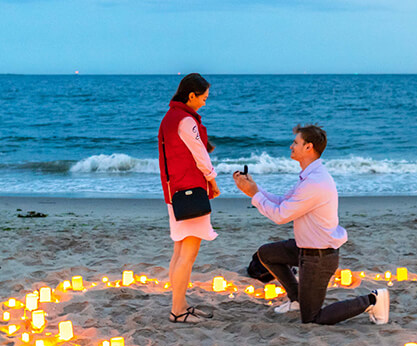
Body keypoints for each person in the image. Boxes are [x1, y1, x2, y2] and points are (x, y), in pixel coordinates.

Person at [232, 124, 389, 325]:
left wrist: (254, 194)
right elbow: (282, 201)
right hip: (304, 248)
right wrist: (253, 188)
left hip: (319, 257)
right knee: (267, 253)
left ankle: (372, 300)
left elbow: (281, 215)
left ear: (309, 147)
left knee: (312, 318)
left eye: (295, 143)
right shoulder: (308, 177)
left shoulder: (315, 182)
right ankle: (297, 299)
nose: (291, 146)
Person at [158, 73, 220, 323]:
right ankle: (178, 310)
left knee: (179, 250)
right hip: (191, 192)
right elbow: (201, 156)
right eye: (203, 98)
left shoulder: (169, 118)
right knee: (188, 254)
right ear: (191, 95)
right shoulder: (186, 120)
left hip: (174, 194)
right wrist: (213, 182)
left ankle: (180, 303)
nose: (205, 103)